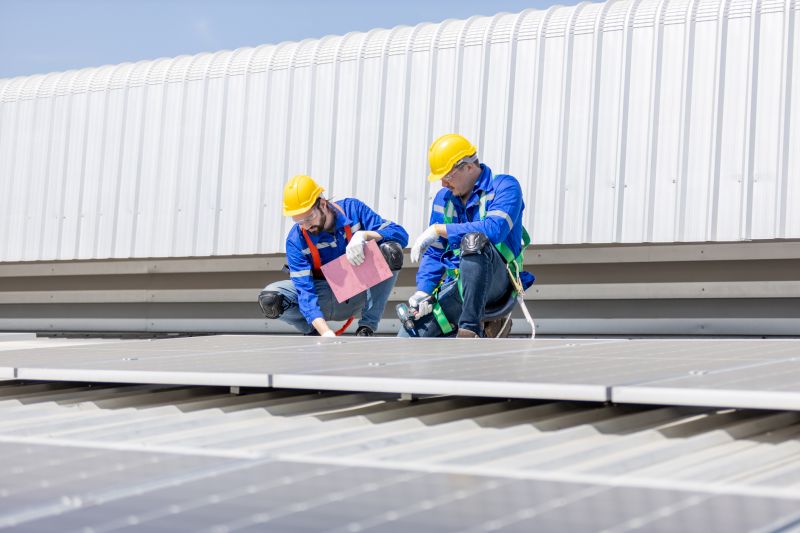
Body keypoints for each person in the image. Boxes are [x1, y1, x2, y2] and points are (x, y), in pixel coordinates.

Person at [403, 133, 534, 338]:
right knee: (410, 332)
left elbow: (494, 229)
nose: (444, 184)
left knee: (474, 241)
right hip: (459, 285)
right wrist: (424, 291)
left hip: (496, 282)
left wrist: (440, 229)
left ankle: (469, 329)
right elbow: (436, 253)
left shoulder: (505, 187)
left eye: (447, 176)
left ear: (468, 167)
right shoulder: (444, 199)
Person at [259, 174, 408, 337]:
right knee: (270, 298)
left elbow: (401, 234)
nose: (306, 226)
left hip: (357, 293)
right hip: (320, 296)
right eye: (300, 222)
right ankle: (312, 330)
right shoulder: (296, 240)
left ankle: (367, 328)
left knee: (391, 250)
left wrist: (365, 235)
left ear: (323, 204)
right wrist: (325, 333)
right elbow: (305, 292)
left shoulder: (354, 210)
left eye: (309, 218)